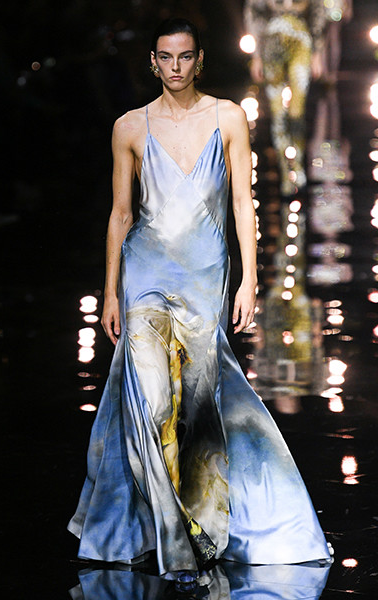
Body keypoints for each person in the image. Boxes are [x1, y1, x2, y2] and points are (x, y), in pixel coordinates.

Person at [67, 17, 332, 587]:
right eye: (166, 57)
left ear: (199, 60)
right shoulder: (129, 127)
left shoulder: (227, 117)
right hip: (144, 275)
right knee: (152, 401)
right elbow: (121, 214)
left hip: (206, 276)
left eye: (185, 57)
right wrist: (110, 290)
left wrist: (250, 279)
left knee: (197, 405)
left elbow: (242, 203)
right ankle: (172, 536)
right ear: (153, 62)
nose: (176, 67)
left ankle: (202, 522)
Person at [244, 0, 327, 196]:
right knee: (278, 114)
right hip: (272, 42)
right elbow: (254, 12)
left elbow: (318, 10)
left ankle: (298, 168)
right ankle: (284, 174)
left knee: (297, 112)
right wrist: (256, 55)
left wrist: (317, 51)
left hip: (300, 41)